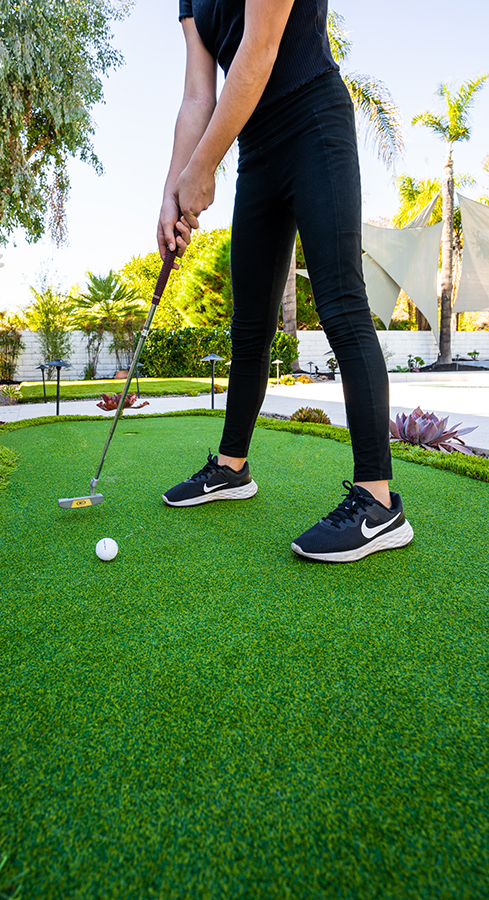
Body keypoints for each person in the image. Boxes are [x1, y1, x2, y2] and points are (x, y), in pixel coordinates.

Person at [157, 0, 413, 564]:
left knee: (341, 304)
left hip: (313, 121)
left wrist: (203, 169)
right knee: (249, 325)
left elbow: (260, 48)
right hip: (257, 151)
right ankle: (232, 468)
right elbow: (197, 95)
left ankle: (378, 503)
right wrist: (172, 192)